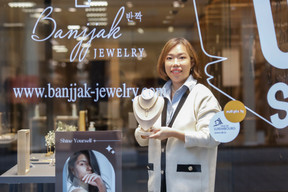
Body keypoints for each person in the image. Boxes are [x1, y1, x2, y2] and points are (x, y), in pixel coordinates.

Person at [134, 37, 221, 192]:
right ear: (163, 63)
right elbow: (143, 140)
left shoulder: (202, 95)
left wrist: (173, 133)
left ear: (192, 62)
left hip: (190, 184)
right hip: (158, 183)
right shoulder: (158, 96)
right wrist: (143, 132)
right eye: (169, 58)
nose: (175, 63)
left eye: (182, 58)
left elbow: (213, 136)